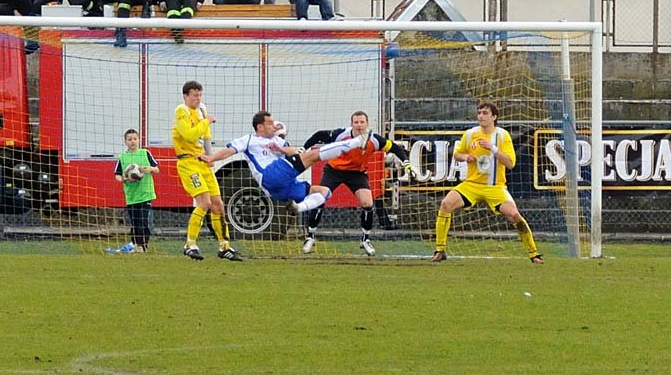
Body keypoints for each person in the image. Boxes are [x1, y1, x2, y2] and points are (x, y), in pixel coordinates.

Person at [432, 102, 544, 264]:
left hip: (495, 187)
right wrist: (465, 157)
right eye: (479, 113)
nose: (481, 116)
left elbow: (511, 163)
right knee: (446, 204)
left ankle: (533, 254)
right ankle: (439, 250)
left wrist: (493, 148)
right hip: (471, 184)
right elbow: (457, 154)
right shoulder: (470, 134)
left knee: (514, 215)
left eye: (485, 113)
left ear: (494, 117)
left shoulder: (502, 136)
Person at [200, 111, 371, 216]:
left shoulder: (277, 141)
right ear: (259, 127)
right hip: (270, 175)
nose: (274, 125)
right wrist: (211, 158)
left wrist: (281, 149)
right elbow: (229, 151)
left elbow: (294, 153)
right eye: (269, 123)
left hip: (280, 189)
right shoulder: (249, 140)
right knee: (313, 156)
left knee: (325, 192)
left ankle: (298, 208)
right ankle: (356, 142)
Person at [302, 111, 415, 257]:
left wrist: (406, 163)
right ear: (352, 124)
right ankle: (310, 237)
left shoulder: (375, 140)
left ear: (367, 124)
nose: (359, 125)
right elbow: (318, 135)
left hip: (357, 173)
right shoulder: (340, 134)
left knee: (368, 203)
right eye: (356, 122)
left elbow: (395, 148)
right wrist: (302, 149)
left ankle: (365, 240)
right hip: (334, 170)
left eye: (362, 122)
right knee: (320, 199)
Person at [172, 81, 242, 261]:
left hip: (203, 162)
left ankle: (224, 246)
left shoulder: (201, 110)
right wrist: (206, 121)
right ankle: (190, 244)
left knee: (218, 204)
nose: (198, 98)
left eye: (199, 95)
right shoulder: (182, 111)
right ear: (185, 96)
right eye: (194, 95)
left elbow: (206, 138)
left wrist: (211, 159)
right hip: (188, 163)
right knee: (203, 202)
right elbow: (189, 134)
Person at [107, 129, 160, 254]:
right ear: (125, 142)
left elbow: (157, 169)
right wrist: (124, 179)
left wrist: (148, 169)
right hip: (131, 196)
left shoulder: (145, 153)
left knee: (143, 221)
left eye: (135, 139)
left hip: (146, 193)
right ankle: (135, 244)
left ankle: (143, 246)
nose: (133, 142)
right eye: (130, 139)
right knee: (134, 222)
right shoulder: (122, 157)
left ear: (138, 140)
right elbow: (117, 175)